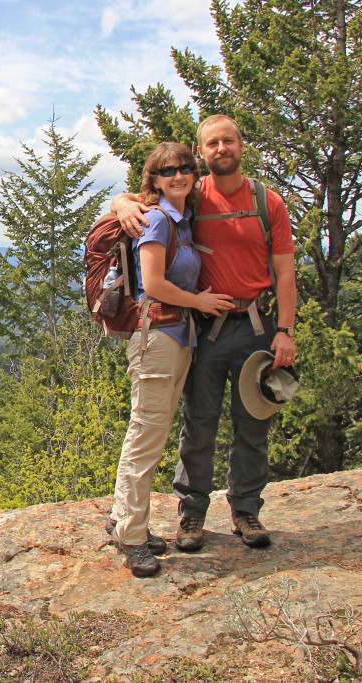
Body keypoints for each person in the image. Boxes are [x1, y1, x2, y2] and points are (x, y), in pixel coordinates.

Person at [111, 115, 297, 550]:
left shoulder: (267, 201)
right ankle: (191, 516)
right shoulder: (193, 198)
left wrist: (285, 330)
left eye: (228, 141)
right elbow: (145, 202)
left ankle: (246, 511)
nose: (221, 149)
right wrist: (120, 202)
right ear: (203, 152)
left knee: (253, 421)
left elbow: (285, 274)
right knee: (199, 423)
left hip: (256, 325)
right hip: (204, 329)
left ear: (241, 145)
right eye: (211, 144)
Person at [108, 142, 234, 577]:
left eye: (185, 167)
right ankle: (131, 535)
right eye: (168, 171)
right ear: (154, 179)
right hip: (158, 334)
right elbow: (156, 284)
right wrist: (199, 300)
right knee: (146, 433)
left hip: (177, 335)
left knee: (150, 432)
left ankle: (124, 519)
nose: (179, 175)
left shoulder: (183, 216)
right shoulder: (158, 219)